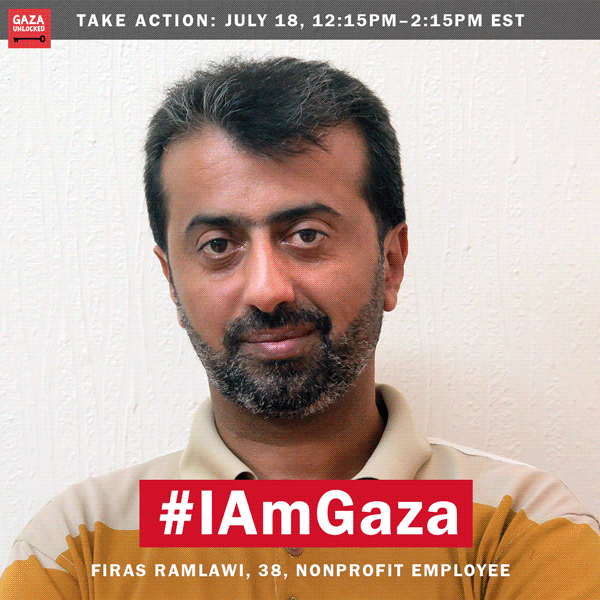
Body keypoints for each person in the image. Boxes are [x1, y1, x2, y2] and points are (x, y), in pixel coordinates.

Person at [1, 57, 598, 599]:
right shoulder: (77, 548)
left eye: (307, 235)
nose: (267, 290)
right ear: (172, 282)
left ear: (391, 262)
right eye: (218, 245)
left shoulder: (522, 528)